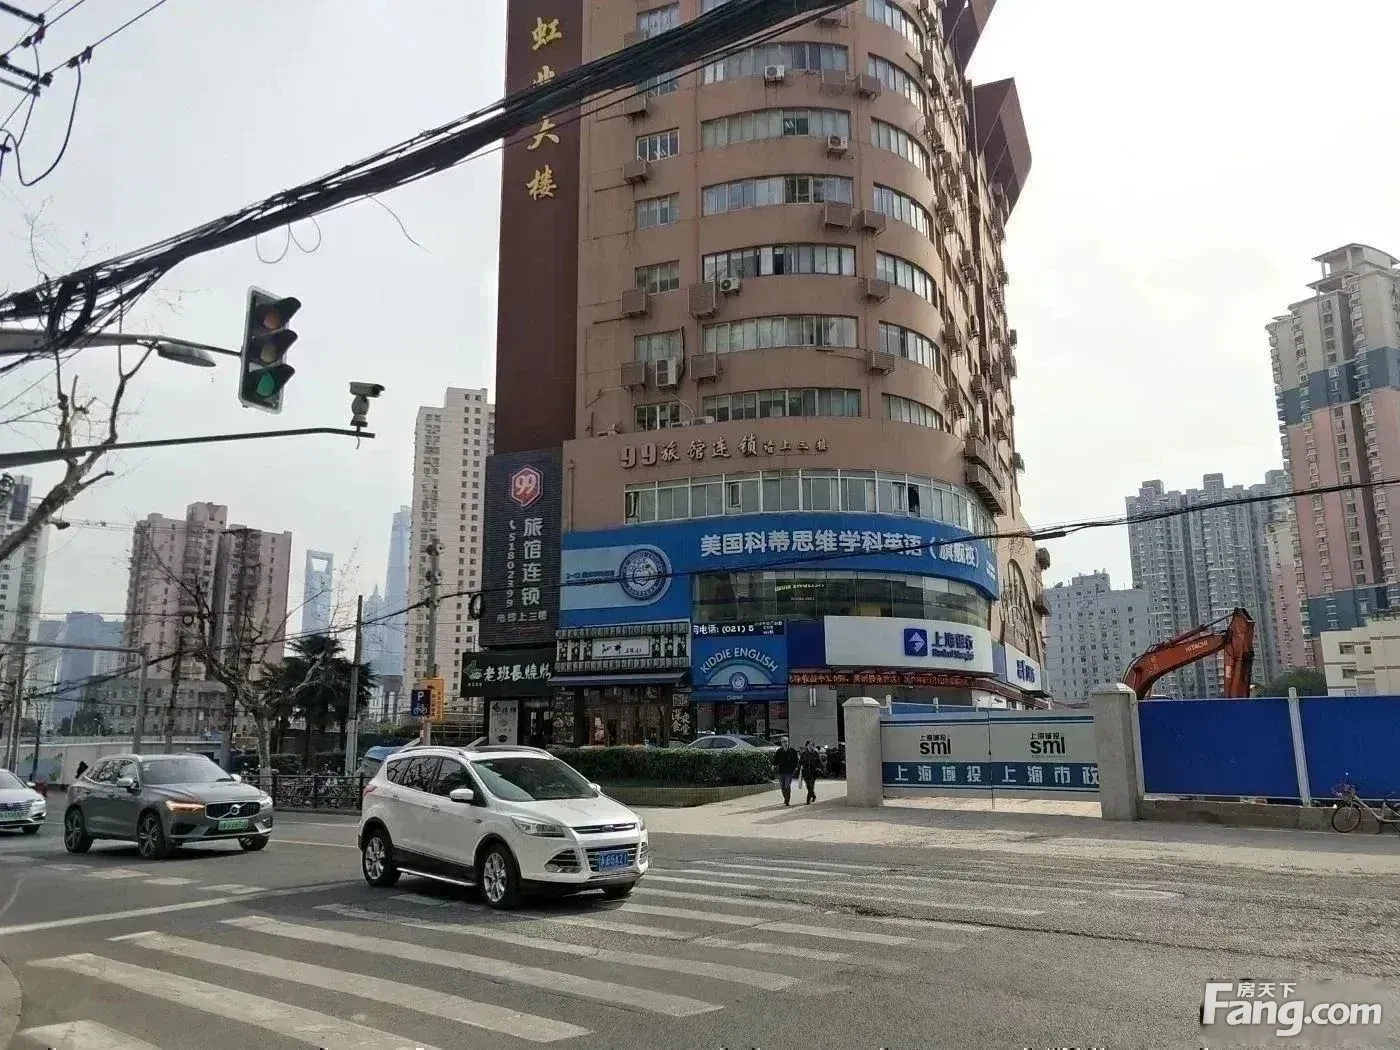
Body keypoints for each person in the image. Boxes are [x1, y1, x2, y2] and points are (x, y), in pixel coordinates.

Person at [773, 737, 801, 806]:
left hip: (789, 772)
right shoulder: (779, 751)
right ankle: (785, 798)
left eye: (786, 741)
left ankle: (787, 800)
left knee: (787, 785)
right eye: (783, 742)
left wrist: (795, 767)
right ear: (781, 743)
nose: (785, 743)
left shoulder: (793, 751)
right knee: (782, 786)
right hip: (781, 771)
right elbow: (775, 760)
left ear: (788, 742)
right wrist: (773, 765)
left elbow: (796, 761)